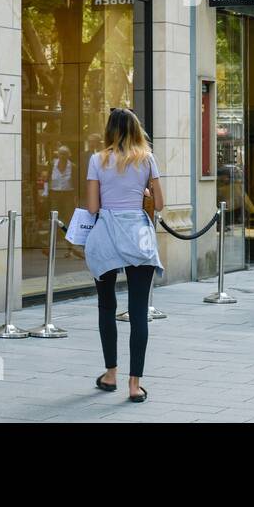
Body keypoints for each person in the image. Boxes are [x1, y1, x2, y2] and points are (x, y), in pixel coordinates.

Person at [84, 107, 164, 404]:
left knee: (106, 306)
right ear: (136, 129)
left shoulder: (97, 160)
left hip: (106, 235)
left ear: (109, 131)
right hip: (138, 236)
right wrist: (141, 194)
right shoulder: (147, 159)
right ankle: (134, 384)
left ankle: (110, 374)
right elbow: (161, 202)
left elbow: (92, 208)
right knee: (139, 310)